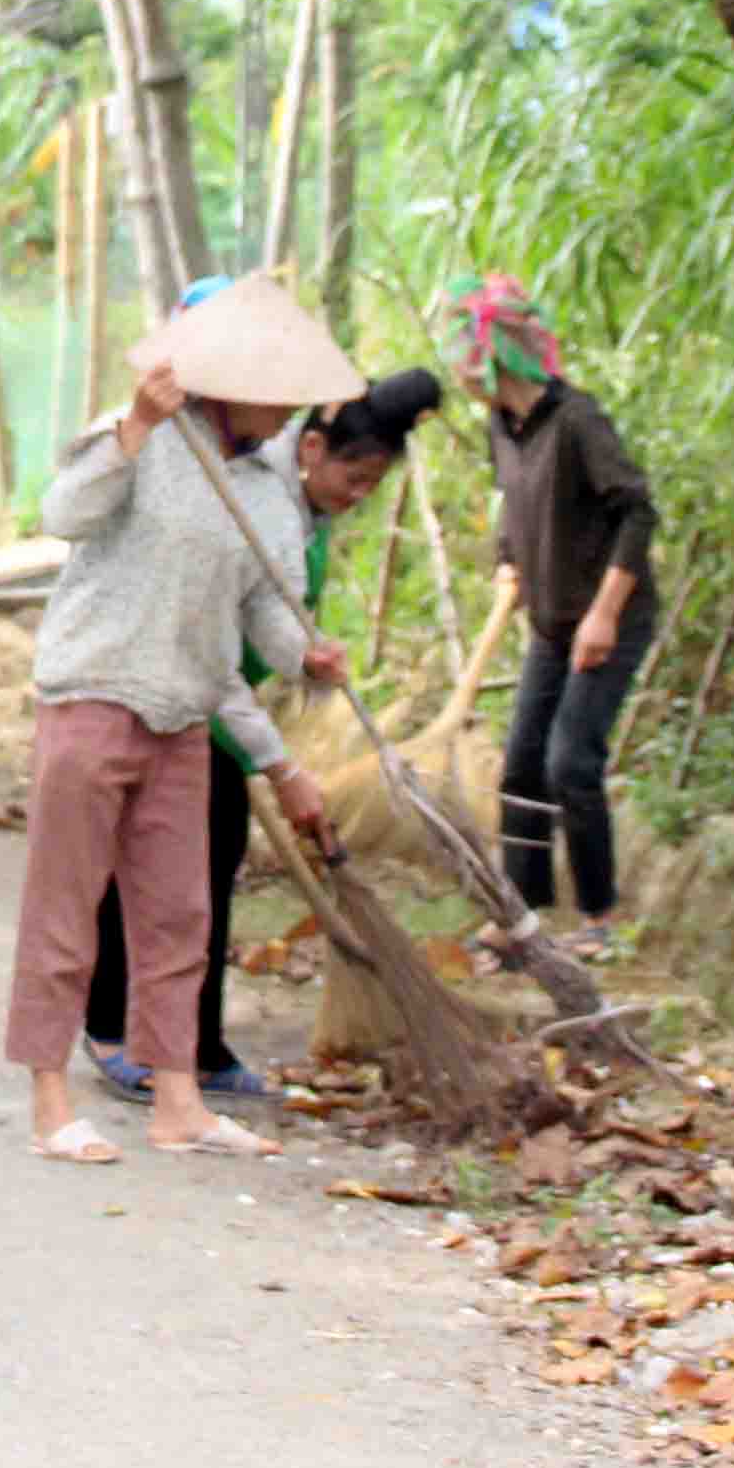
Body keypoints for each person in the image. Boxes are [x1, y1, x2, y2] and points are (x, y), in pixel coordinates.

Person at [13, 277, 358, 1166]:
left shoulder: (266, 490)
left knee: (178, 917)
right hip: (94, 693)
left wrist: (305, 656)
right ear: (223, 378)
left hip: (183, 716)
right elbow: (64, 514)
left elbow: (262, 607)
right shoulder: (138, 436)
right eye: (271, 391)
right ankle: (51, 1102)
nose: (286, 411)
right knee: (68, 906)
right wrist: (134, 429)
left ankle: (178, 1104)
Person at [85, 359, 444, 1103]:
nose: (358, 497)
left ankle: (197, 1041)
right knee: (151, 870)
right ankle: (110, 1027)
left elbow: (268, 628)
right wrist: (280, 765)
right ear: (312, 449)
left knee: (207, 873)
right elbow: (213, 635)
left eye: (373, 488)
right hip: (175, 687)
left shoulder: (300, 506)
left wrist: (308, 663)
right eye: (356, 479)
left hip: (221, 697)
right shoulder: (247, 495)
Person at [451, 275, 663, 949]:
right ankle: (525, 914)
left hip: (611, 614)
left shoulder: (577, 420)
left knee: (571, 760)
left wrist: (603, 616)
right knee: (520, 766)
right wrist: (507, 558)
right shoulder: (501, 426)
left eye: (466, 349)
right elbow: (514, 505)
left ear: (498, 353)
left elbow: (636, 512)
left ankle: (598, 920)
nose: (459, 365)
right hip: (549, 618)